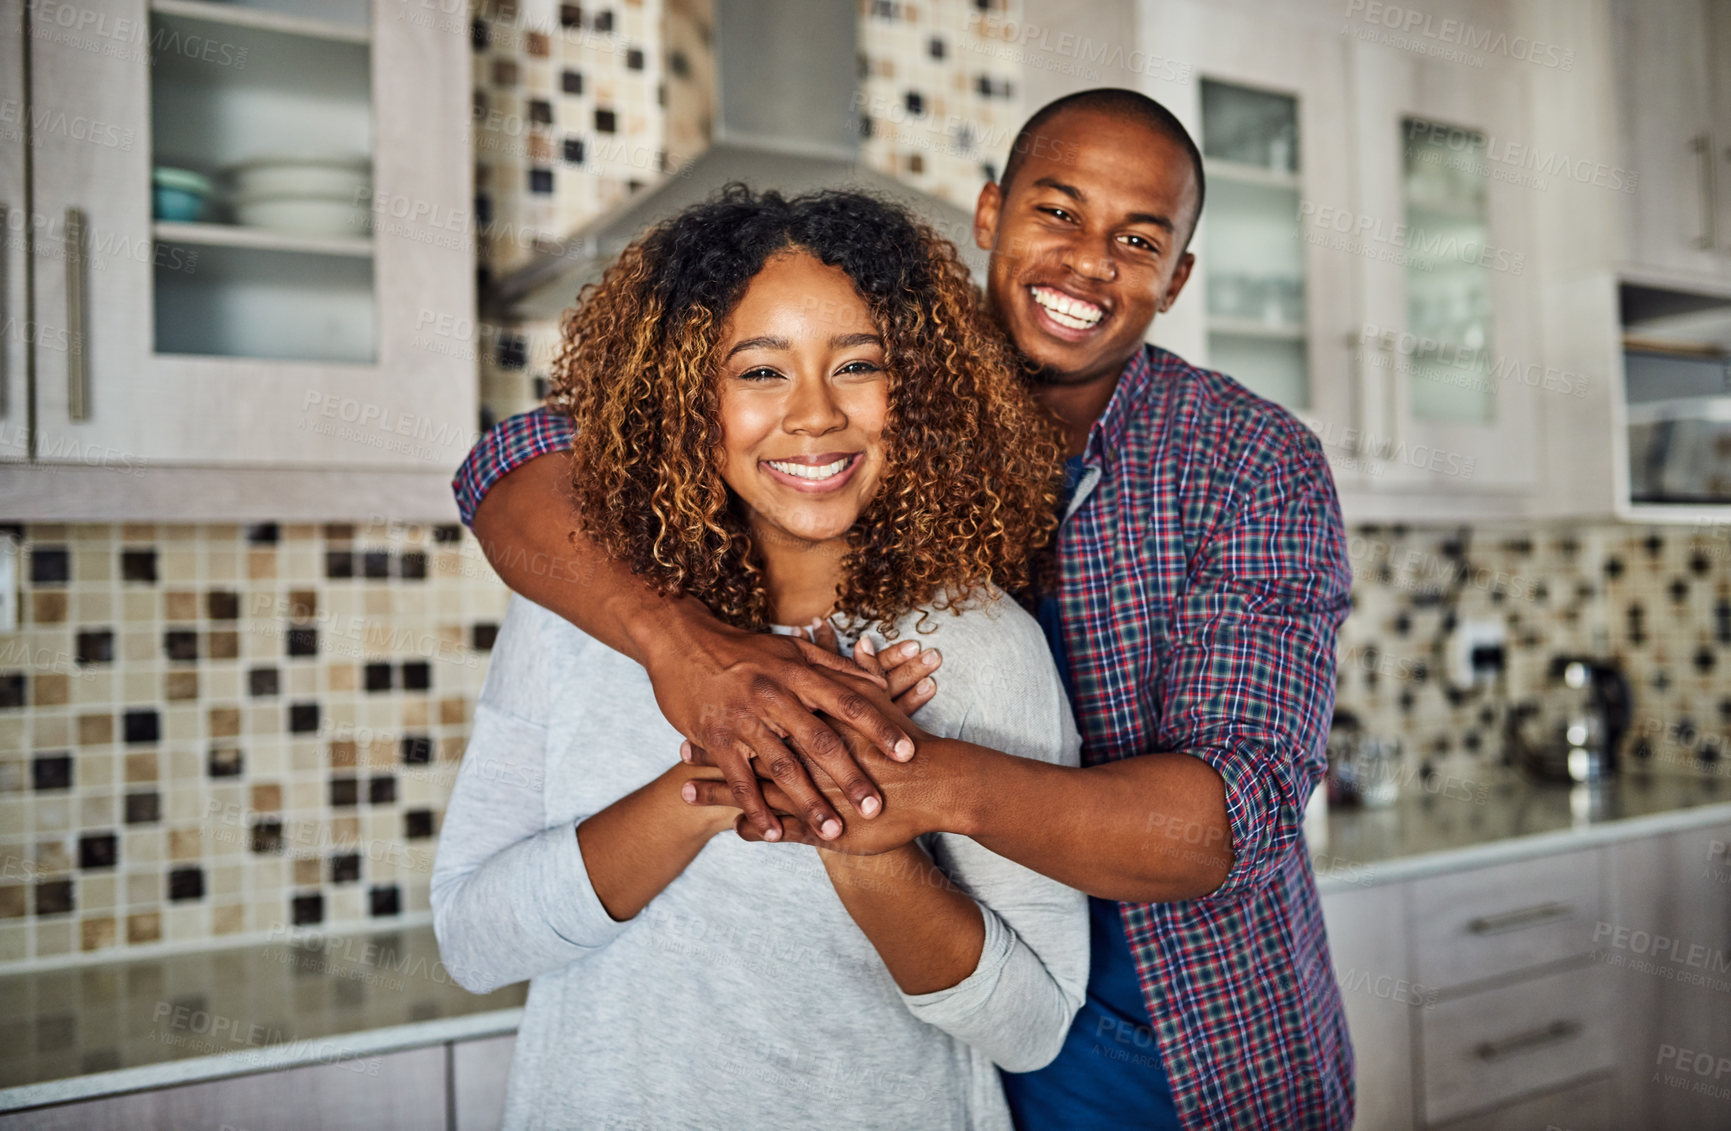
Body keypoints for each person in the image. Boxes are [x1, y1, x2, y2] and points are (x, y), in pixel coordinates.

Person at [454, 89, 1355, 1129]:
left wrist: (881, 777)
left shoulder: (1250, 465)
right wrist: (684, 652)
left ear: (1178, 275)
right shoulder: (879, 352)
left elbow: (1228, 819)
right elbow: (519, 462)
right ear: (991, 215)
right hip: (942, 1035)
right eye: (1058, 211)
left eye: (1139, 237)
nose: (1088, 261)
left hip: (1172, 1026)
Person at [431, 187, 1090, 1130]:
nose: (815, 415)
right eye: (760, 372)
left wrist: (854, 823)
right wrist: (717, 774)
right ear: (682, 397)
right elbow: (471, 939)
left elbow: (1033, 1028)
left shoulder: (980, 646)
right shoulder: (580, 614)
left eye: (857, 364)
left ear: (921, 391)